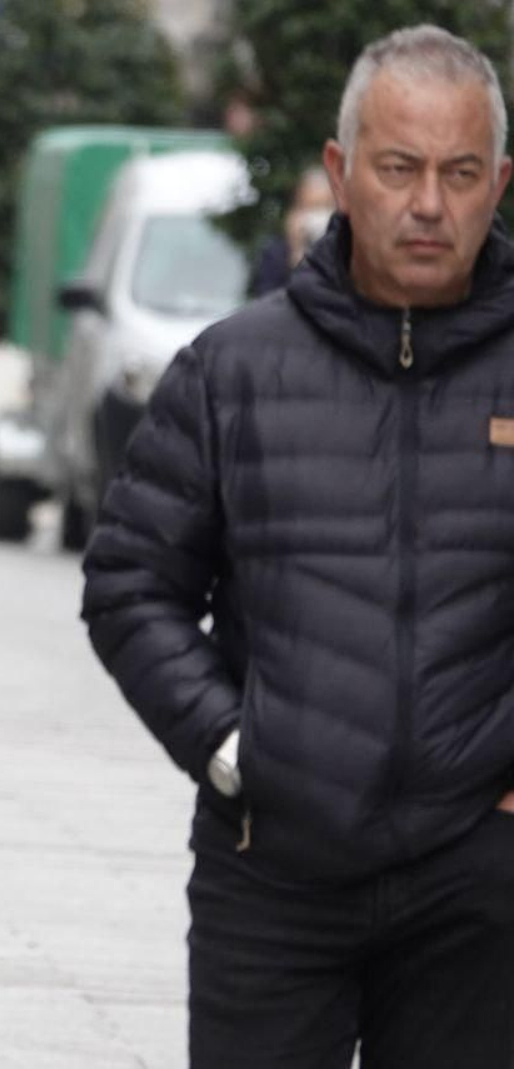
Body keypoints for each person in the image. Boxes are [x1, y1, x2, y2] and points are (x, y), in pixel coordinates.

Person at [82, 25, 514, 1069]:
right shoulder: (233, 371)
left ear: (499, 183)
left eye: (459, 174)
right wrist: (234, 750)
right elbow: (130, 583)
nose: (428, 204)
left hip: (480, 885)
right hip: (267, 870)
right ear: (339, 171)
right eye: (398, 167)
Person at [247, 164, 337, 297]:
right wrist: (296, 252)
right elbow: (266, 303)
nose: (315, 217)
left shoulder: (349, 252)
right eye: (309, 208)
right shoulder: (275, 252)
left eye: (323, 208)